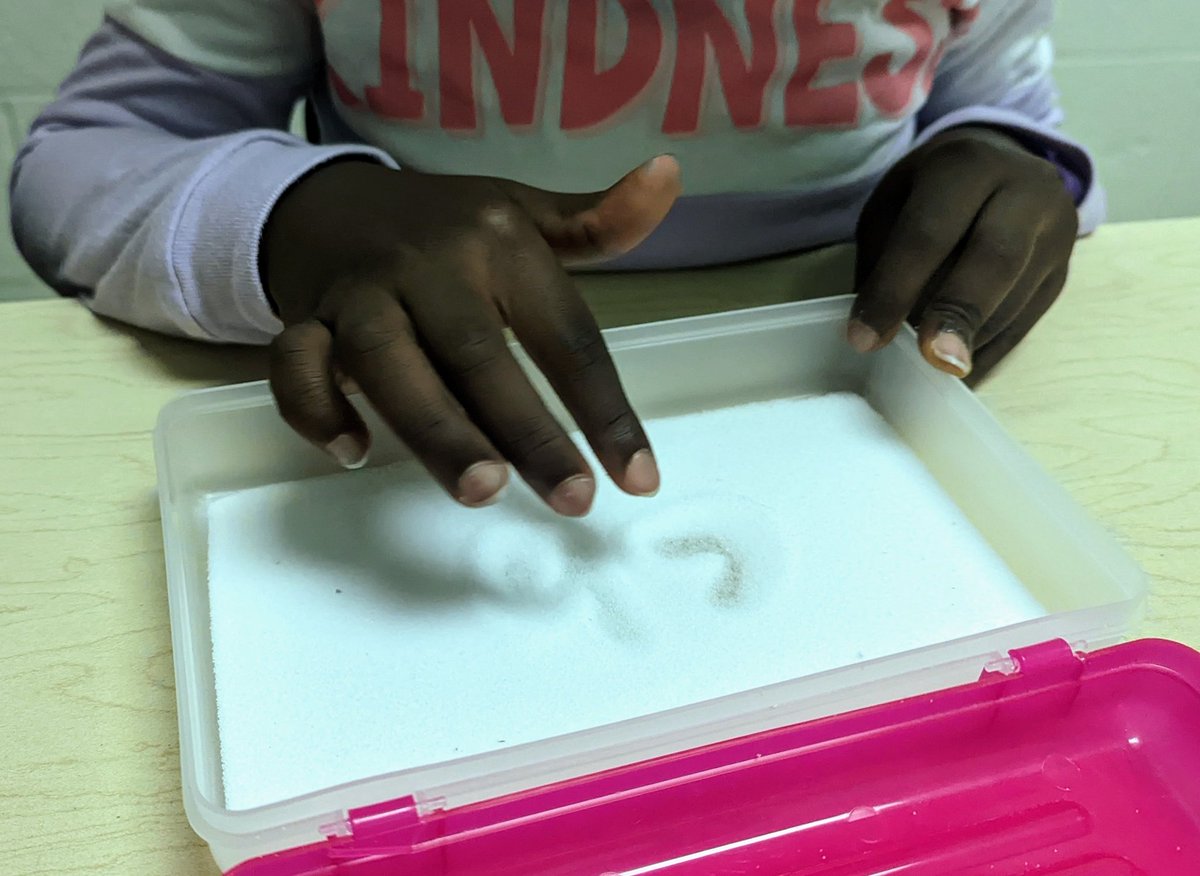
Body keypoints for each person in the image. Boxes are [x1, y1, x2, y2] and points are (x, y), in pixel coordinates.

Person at [8, 0, 1096, 518]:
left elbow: (1003, 107)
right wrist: (293, 215)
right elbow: (81, 159)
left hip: (862, 436)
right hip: (409, 429)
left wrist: (1011, 159)